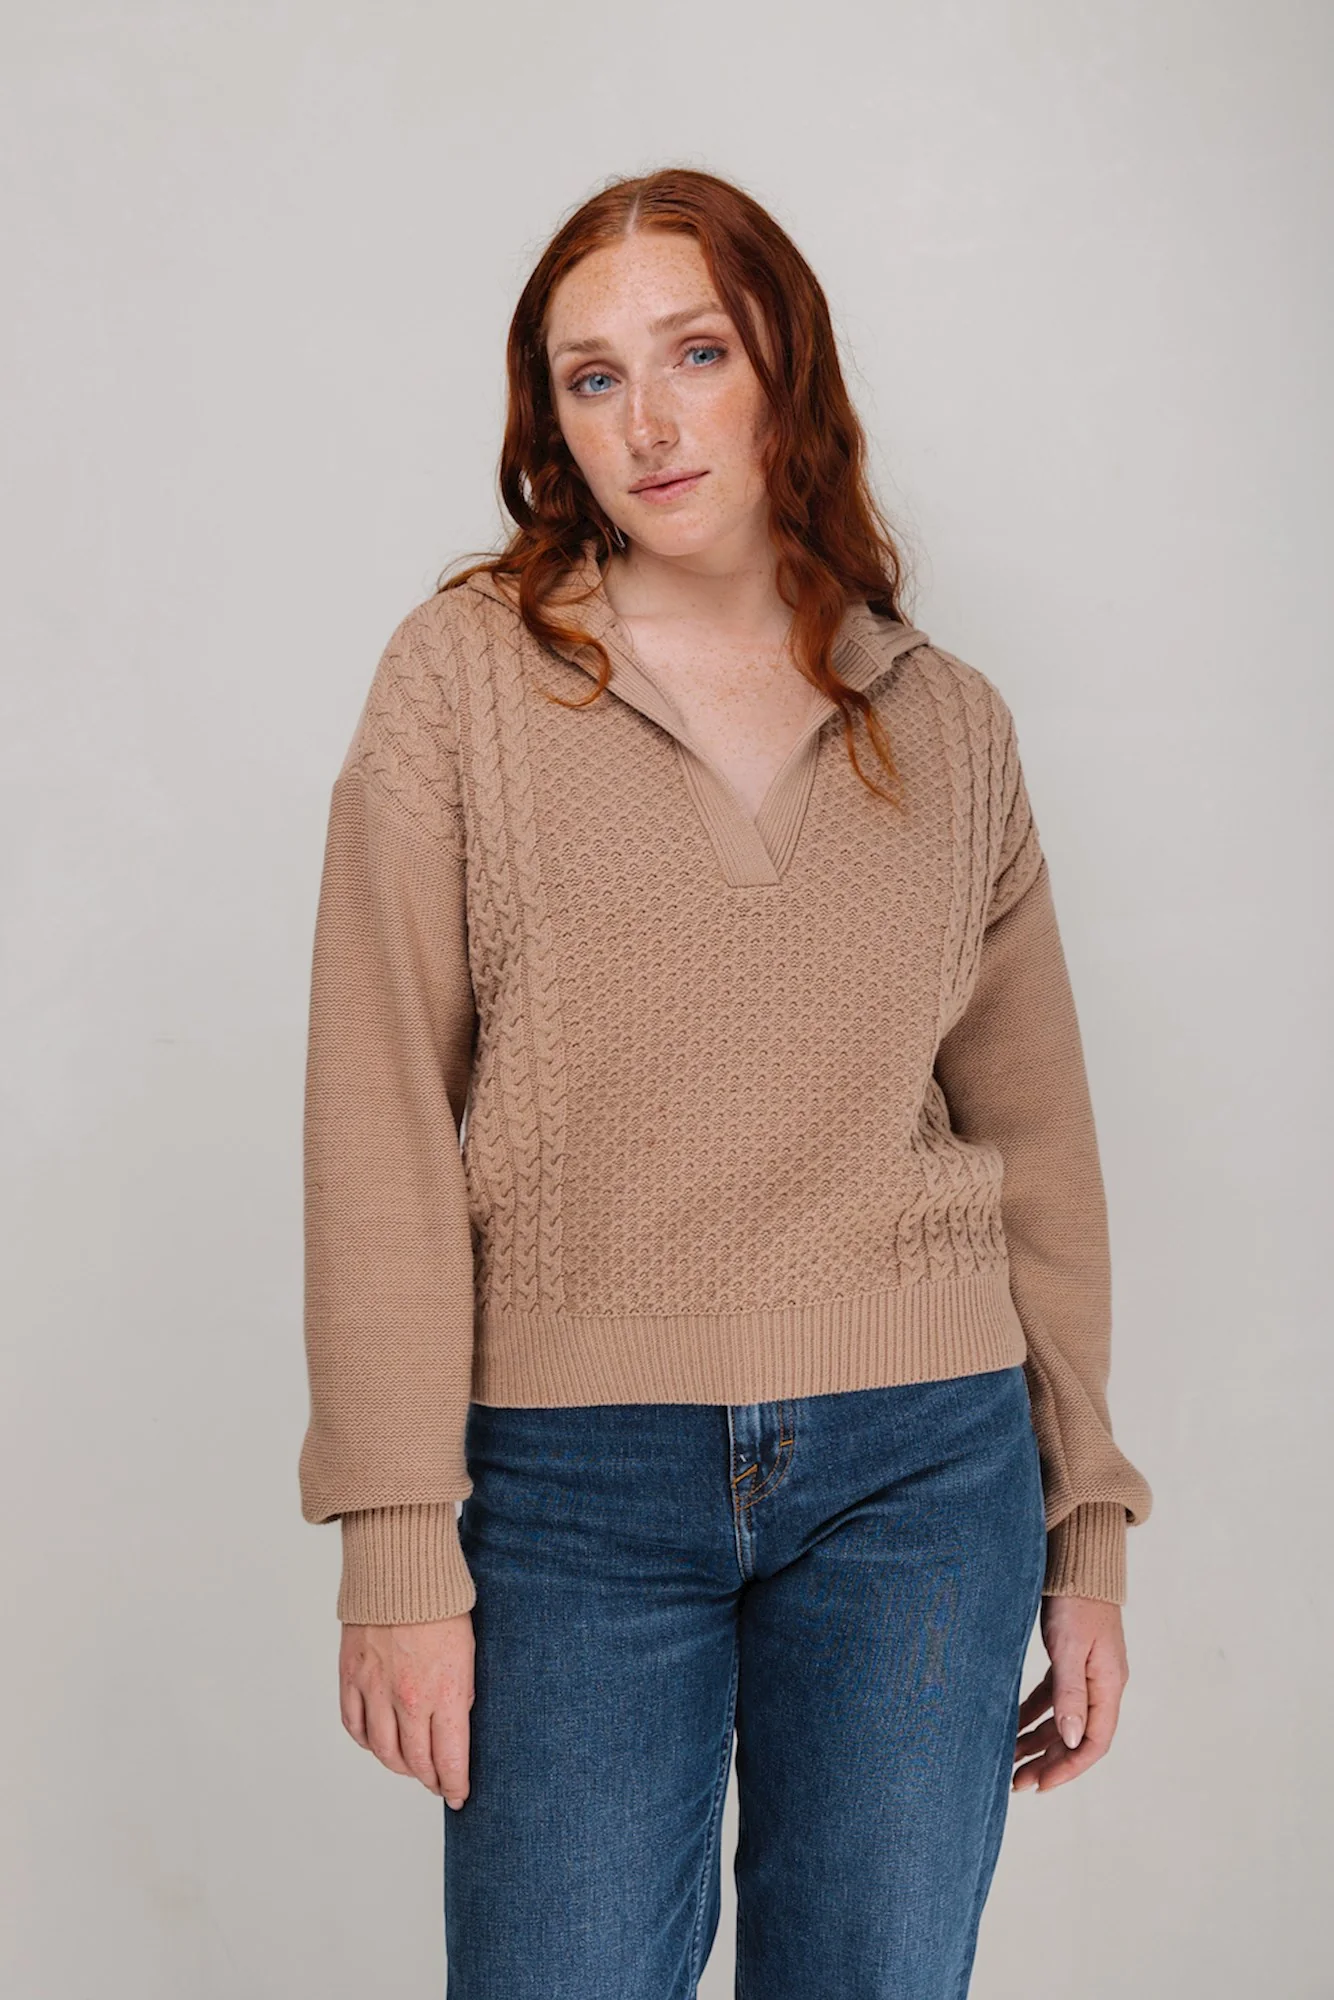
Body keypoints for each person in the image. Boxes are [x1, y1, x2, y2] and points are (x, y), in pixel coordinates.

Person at [298, 166, 1153, 1997]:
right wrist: (393, 1533)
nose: (650, 421)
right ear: (551, 421)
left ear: (786, 366)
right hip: (569, 1484)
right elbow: (377, 1116)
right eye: (593, 377)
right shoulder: (464, 682)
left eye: (696, 352)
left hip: (924, 1468)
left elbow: (1036, 1141)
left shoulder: (945, 720)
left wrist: (1084, 1522)